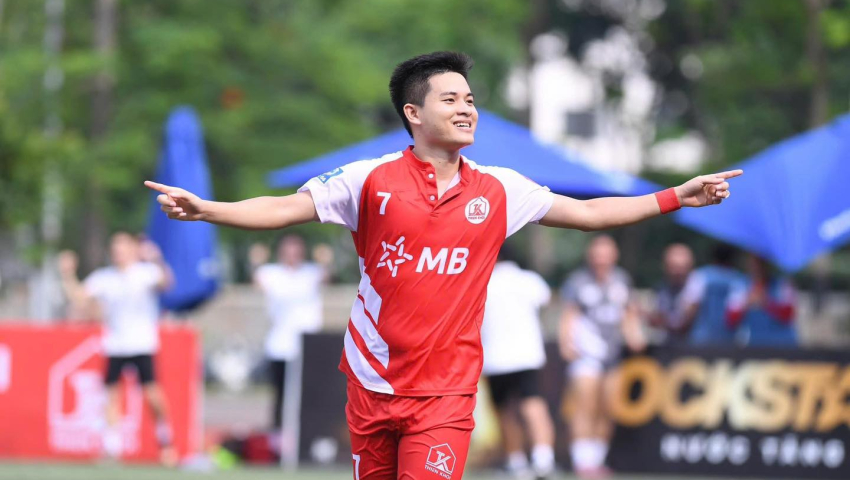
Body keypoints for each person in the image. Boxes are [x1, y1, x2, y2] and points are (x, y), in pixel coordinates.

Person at [146, 51, 741, 480]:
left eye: (471, 100)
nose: (466, 109)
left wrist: (674, 196)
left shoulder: (501, 189)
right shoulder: (367, 179)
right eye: (451, 100)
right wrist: (209, 211)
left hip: (446, 393)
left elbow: (589, 214)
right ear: (413, 113)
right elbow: (284, 207)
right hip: (371, 382)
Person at [57, 233, 177, 466]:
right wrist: (67, 274)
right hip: (115, 345)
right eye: (115, 248)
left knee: (152, 394)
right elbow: (80, 298)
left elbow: (167, 283)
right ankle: (111, 448)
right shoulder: (104, 277)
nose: (118, 252)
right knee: (111, 395)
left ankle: (165, 441)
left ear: (132, 249)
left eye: (122, 247)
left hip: (142, 344)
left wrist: (156, 259)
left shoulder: (146, 272)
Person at [558, 235, 644, 478]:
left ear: (614, 256)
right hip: (586, 353)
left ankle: (596, 459)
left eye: (605, 254)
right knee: (585, 405)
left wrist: (634, 335)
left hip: (612, 353)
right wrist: (566, 342)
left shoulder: (621, 280)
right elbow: (569, 314)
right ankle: (582, 461)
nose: (601, 260)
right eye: (597, 255)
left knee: (609, 407)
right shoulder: (578, 281)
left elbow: (629, 313)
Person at [480, 244, 556, 480]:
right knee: (533, 404)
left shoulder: (481, 281)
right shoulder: (529, 280)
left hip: (494, 357)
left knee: (504, 410)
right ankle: (543, 459)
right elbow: (547, 301)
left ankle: (516, 461)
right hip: (526, 354)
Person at [248, 235, 329, 431]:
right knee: (280, 394)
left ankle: (306, 432)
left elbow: (327, 277)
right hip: (280, 344)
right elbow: (256, 281)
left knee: (308, 394)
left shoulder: (310, 272)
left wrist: (326, 260)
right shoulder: (271, 273)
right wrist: (254, 262)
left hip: (307, 345)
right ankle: (278, 433)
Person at [681, 244, 747, 345]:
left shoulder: (700, 276)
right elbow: (737, 311)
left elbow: (691, 308)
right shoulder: (739, 280)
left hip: (700, 340)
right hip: (729, 341)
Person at [726, 253, 797, 346]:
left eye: (761, 262)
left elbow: (788, 314)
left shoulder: (782, 284)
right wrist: (747, 302)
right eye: (754, 262)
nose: (757, 267)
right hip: (753, 343)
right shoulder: (741, 286)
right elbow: (731, 320)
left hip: (782, 343)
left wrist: (767, 302)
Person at [648, 243, 695, 345]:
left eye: (681, 267)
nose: (677, 272)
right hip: (668, 346)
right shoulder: (660, 289)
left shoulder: (697, 289)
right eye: (673, 267)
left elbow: (683, 324)